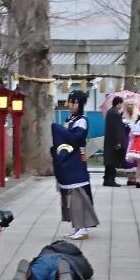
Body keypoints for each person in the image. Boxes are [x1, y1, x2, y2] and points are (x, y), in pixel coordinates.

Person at [52, 89, 100, 241]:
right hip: (70, 161)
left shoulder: (82, 120)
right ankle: (77, 227)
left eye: (75, 102)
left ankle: (83, 228)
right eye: (71, 102)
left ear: (81, 104)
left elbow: (75, 139)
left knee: (80, 194)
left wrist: (58, 130)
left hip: (76, 161)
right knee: (71, 196)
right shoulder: (70, 119)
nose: (72, 105)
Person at [11, 240, 93, 280]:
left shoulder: (48, 249)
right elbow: (88, 271)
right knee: (59, 279)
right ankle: (58, 276)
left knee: (37, 276)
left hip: (44, 260)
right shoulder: (77, 256)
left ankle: (29, 275)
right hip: (63, 261)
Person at [103, 95, 127, 187]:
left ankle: (106, 179)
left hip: (109, 140)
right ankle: (110, 180)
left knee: (109, 162)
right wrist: (118, 141)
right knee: (112, 161)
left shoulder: (110, 112)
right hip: (114, 142)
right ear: (118, 103)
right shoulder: (115, 113)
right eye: (121, 104)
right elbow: (117, 128)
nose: (121, 106)